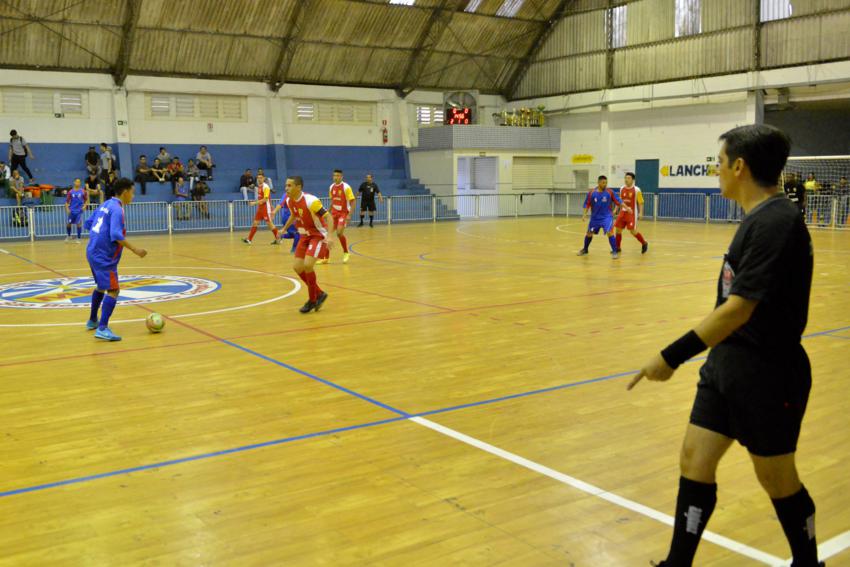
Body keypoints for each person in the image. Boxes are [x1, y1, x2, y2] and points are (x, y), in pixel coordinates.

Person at [628, 125, 821, 567]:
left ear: (740, 166)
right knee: (694, 459)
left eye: (719, 163)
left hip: (769, 375)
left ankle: (808, 563)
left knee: (776, 478)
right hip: (727, 366)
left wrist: (668, 357)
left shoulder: (777, 222)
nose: (716, 171)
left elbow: (737, 309)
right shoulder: (757, 218)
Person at [84, 177, 148, 341]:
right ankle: (102, 328)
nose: (133, 196)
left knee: (101, 286)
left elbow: (88, 223)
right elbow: (116, 235)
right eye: (132, 193)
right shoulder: (118, 209)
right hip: (104, 256)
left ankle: (92, 321)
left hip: (92, 251)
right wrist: (136, 250)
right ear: (125, 192)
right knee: (113, 290)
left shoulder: (105, 204)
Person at [278, 176, 335, 313]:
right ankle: (319, 293)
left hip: (317, 236)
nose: (286, 188)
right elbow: (293, 215)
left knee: (308, 265)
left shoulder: (311, 201)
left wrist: (330, 236)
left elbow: (329, 217)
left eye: (289, 186)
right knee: (297, 267)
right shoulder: (289, 200)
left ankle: (312, 300)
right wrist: (284, 228)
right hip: (304, 236)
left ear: (298, 187)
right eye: (286, 185)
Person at [576, 175, 621, 258]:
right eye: (603, 183)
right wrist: (584, 215)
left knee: (610, 232)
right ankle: (585, 249)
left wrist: (625, 208)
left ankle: (614, 252)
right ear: (598, 183)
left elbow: (619, 201)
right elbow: (587, 204)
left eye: (606, 183)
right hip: (595, 218)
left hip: (607, 217)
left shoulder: (610, 192)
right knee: (589, 233)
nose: (605, 184)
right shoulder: (592, 193)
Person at [318, 169, 355, 264]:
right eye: (334, 175)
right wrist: (327, 213)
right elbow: (333, 201)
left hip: (343, 213)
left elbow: (353, 201)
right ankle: (326, 258)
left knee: (339, 233)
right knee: (327, 234)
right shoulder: (331, 187)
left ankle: (346, 252)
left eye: (338, 175)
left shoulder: (346, 187)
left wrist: (349, 215)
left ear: (341, 177)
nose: (336, 177)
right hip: (334, 213)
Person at [613, 172, 649, 254]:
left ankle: (644, 243)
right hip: (622, 213)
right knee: (618, 230)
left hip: (631, 214)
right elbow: (619, 201)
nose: (626, 180)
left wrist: (640, 213)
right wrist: (615, 209)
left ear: (633, 180)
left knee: (633, 231)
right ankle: (618, 247)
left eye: (628, 178)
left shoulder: (637, 190)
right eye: (625, 178)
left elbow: (640, 202)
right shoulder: (622, 188)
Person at [242, 173, 280, 245]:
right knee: (255, 223)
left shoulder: (266, 187)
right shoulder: (259, 186)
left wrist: (254, 203)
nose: (259, 179)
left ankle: (278, 239)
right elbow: (268, 198)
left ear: (264, 178)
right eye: (258, 178)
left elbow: (265, 199)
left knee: (270, 224)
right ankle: (249, 239)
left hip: (265, 208)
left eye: (261, 178)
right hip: (260, 208)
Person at [64, 178, 88, 242]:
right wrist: (67, 209)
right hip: (71, 210)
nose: (78, 183)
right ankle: (69, 236)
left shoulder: (83, 191)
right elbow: (66, 202)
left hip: (79, 211)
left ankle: (79, 238)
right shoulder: (70, 192)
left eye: (79, 182)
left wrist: (85, 206)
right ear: (74, 182)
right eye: (76, 182)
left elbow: (86, 200)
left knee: (79, 223)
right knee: (68, 223)